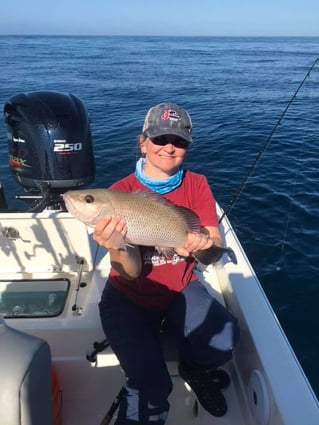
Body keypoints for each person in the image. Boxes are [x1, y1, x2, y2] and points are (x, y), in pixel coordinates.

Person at [94, 103, 240, 424]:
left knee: (225, 338)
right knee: (152, 388)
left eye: (179, 141)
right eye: (159, 139)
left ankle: (194, 368)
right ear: (142, 142)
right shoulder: (120, 193)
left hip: (180, 290)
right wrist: (117, 245)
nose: (169, 147)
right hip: (128, 300)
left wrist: (205, 247)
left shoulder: (197, 184)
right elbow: (130, 272)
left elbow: (213, 249)